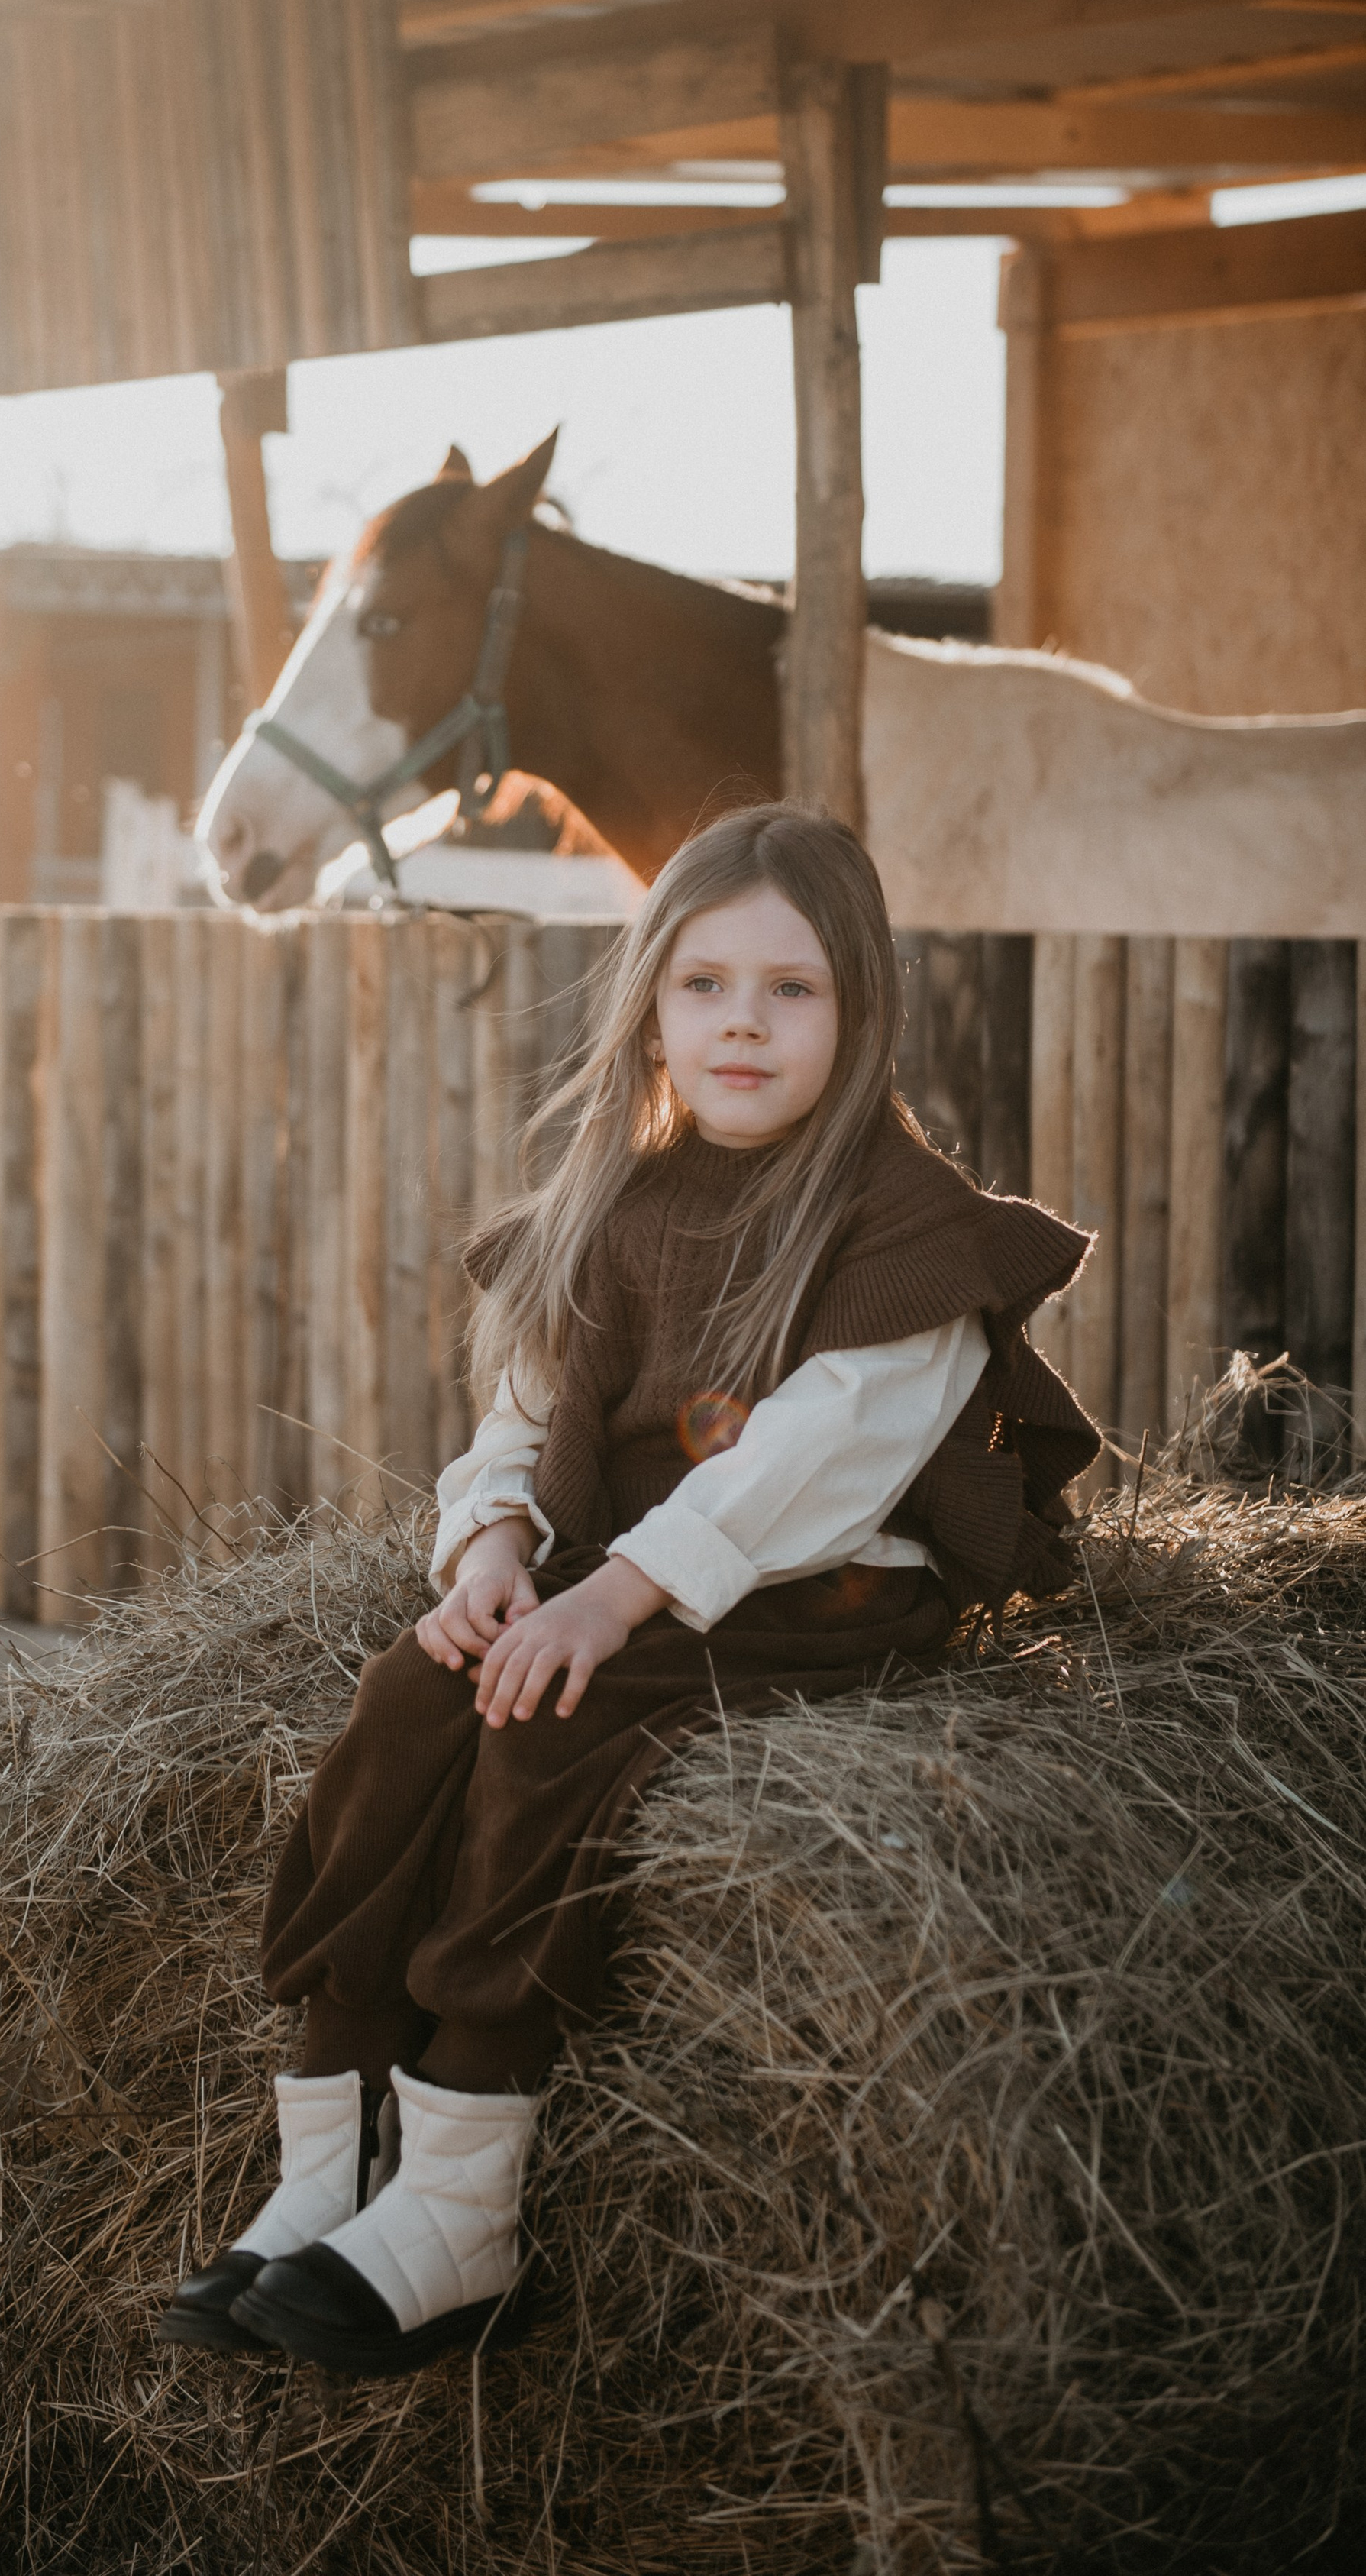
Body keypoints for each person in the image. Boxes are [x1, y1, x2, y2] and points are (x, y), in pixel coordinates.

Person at [158, 803, 1099, 2380]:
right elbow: (520, 1426)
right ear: (648, 1005)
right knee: (410, 1693)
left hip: (823, 1580)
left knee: (551, 1719)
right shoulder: (612, 1204)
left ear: (856, 1013)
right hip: (628, 1568)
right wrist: (494, 1557)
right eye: (704, 984)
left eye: (791, 991)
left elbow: (811, 1459)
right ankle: (326, 2160)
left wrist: (603, 1610)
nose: (742, 1022)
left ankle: (464, 2204)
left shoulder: (900, 1227)